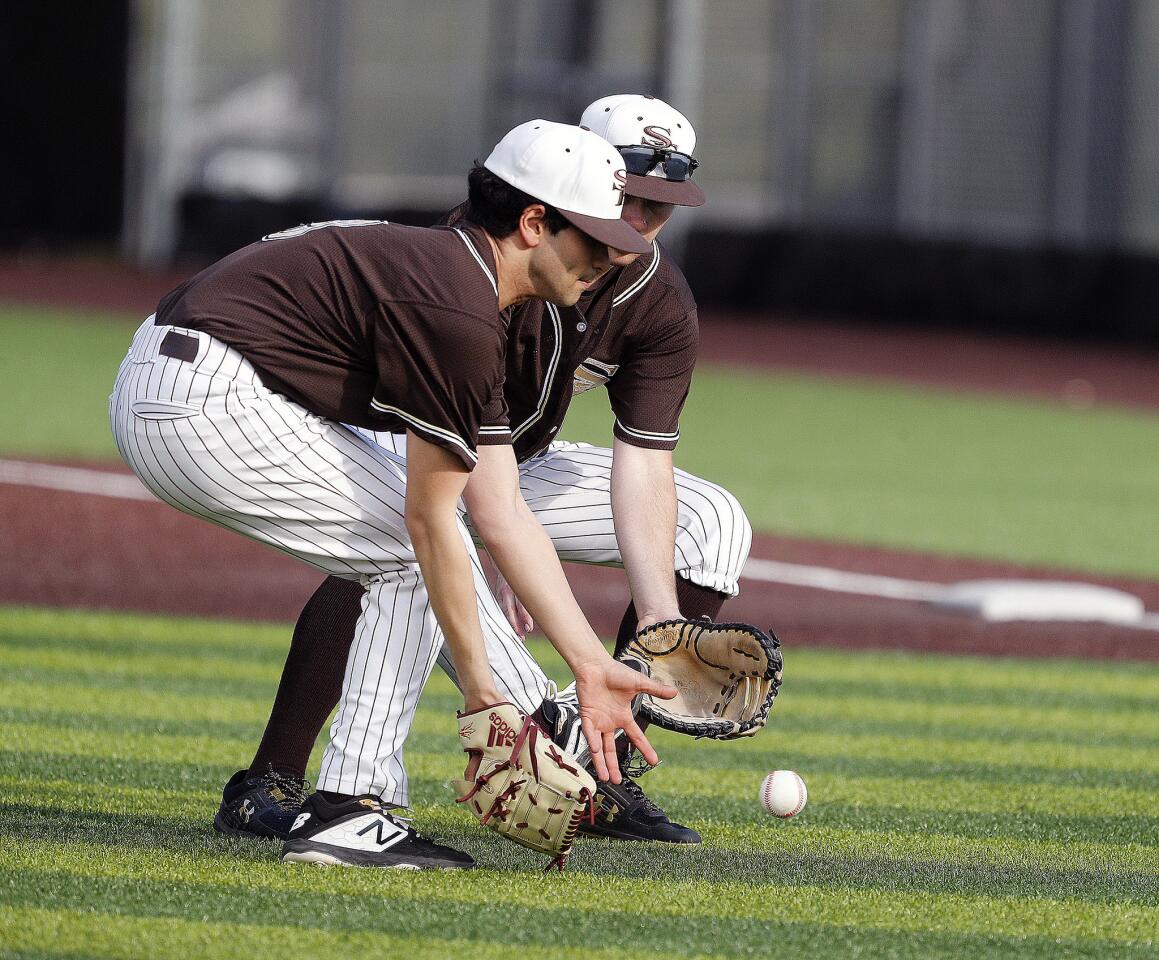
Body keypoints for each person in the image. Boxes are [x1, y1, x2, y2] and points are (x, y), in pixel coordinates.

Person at [109, 119, 678, 871]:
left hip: (196, 381)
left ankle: (404, 776)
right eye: (596, 238)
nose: (611, 258)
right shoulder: (455, 308)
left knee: (416, 547)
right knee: (411, 552)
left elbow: (500, 512)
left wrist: (586, 662)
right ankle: (348, 808)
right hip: (200, 397)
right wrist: (482, 696)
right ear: (534, 222)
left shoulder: (464, 283)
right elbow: (431, 520)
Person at [214, 95, 753, 848]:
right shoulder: (492, 252)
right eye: (626, 194)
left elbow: (644, 465)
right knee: (398, 545)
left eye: (657, 205)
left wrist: (661, 623)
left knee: (713, 523)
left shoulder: (659, 300)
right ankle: (271, 777)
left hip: (516, 462)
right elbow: (443, 448)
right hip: (420, 442)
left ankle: (597, 772)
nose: (637, 220)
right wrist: (498, 543)